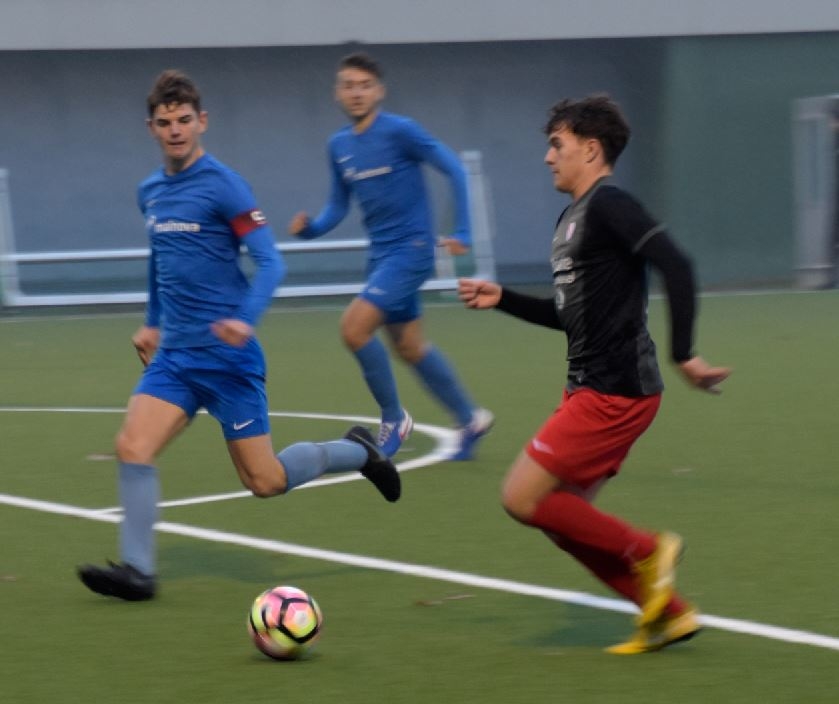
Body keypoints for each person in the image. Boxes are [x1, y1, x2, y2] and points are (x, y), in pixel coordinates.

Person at [77, 69, 401, 602]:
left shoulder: (225, 186)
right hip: (176, 359)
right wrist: (152, 321)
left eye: (184, 120)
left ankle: (358, 452)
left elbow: (271, 262)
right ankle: (138, 572)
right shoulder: (150, 192)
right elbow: (161, 259)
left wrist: (245, 319)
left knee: (265, 481)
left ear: (202, 122)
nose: (175, 130)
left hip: (229, 361)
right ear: (151, 128)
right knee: (132, 446)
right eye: (165, 122)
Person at [458, 95, 731, 654]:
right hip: (588, 387)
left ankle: (648, 549)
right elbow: (571, 315)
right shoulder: (572, 219)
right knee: (560, 517)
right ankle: (669, 615)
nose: (547, 157)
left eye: (556, 144)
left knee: (520, 497)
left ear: (590, 148)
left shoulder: (611, 204)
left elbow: (677, 264)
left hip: (615, 389)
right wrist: (503, 298)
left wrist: (684, 354)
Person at [288, 52, 493, 460]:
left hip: (412, 251)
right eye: (349, 85)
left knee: (353, 329)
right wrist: (310, 229)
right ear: (337, 93)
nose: (357, 93)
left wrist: (464, 232)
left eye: (365, 85)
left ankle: (393, 419)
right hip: (381, 258)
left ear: (379, 91)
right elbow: (338, 205)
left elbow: (454, 169)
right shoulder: (339, 145)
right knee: (411, 348)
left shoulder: (401, 131)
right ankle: (471, 418)